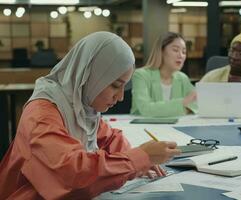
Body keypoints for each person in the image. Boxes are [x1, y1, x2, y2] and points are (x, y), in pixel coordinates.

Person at [0, 32, 181, 199]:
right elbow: (72, 173)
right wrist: (137, 159)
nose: (120, 97)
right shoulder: (41, 116)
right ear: (90, 75)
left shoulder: (79, 106)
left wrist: (137, 158)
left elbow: (109, 138)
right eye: (115, 86)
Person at [130, 32, 197, 117]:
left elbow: (196, 102)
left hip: (175, 127)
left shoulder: (182, 78)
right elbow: (146, 109)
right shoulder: (141, 75)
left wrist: (186, 105)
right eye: (175, 50)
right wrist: (183, 103)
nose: (181, 55)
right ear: (161, 51)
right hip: (144, 127)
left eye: (184, 52)